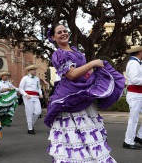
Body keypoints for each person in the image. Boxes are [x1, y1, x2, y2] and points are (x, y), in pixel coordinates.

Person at [44, 24, 125, 163]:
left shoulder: (75, 50)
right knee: (73, 133)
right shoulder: (58, 54)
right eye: (59, 32)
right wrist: (92, 63)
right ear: (53, 37)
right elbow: (72, 75)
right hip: (70, 97)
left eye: (65, 31)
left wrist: (94, 76)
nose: (63, 34)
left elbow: (83, 72)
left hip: (83, 91)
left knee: (88, 131)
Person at [123, 46, 142, 150]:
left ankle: (139, 136)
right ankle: (128, 141)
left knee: (134, 119)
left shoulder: (137, 63)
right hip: (135, 95)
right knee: (133, 119)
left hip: (138, 94)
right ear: (140, 52)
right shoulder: (134, 63)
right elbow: (134, 80)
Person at [19, 65, 43, 135]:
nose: (35, 71)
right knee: (29, 112)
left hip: (36, 97)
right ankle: (30, 129)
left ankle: (31, 124)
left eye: (35, 70)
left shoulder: (37, 79)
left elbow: (39, 87)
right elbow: (21, 88)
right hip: (28, 96)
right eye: (33, 70)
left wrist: (40, 93)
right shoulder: (25, 78)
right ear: (29, 71)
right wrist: (26, 95)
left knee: (38, 112)